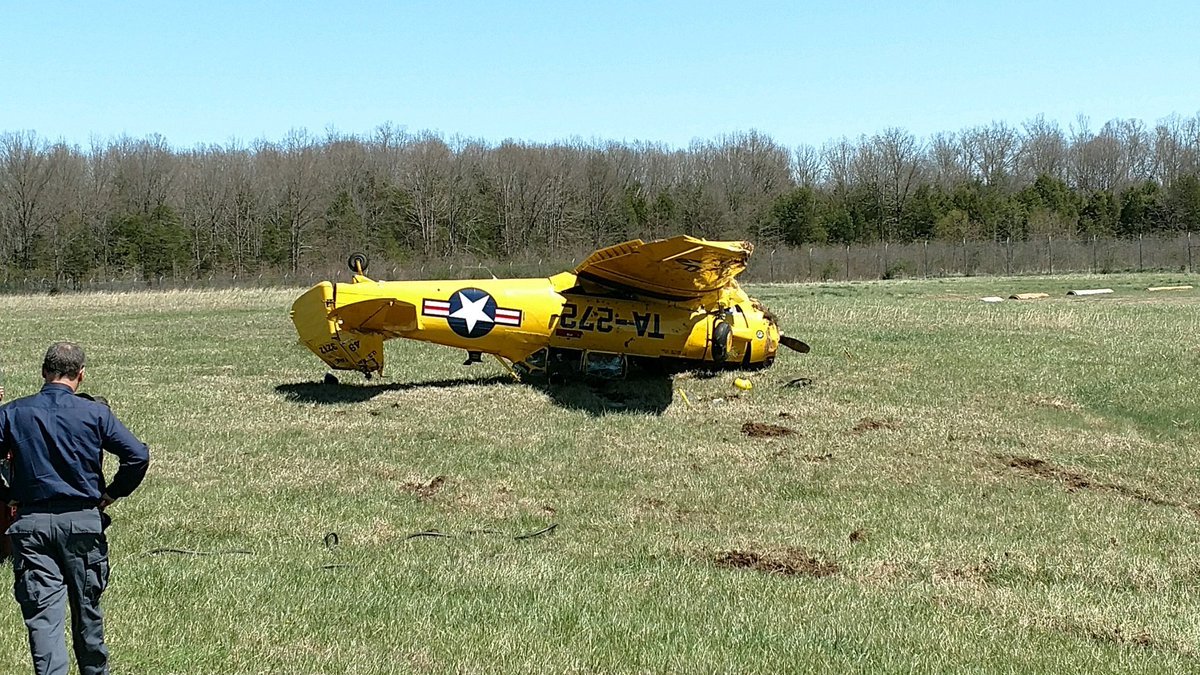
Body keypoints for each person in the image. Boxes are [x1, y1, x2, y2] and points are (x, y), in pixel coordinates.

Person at [0, 342, 150, 675]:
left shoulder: (13, 412)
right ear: (80, 375)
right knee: (87, 614)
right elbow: (137, 455)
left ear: (43, 372)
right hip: (83, 524)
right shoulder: (95, 413)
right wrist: (113, 492)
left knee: (43, 619)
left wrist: (5, 492)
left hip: (31, 525)